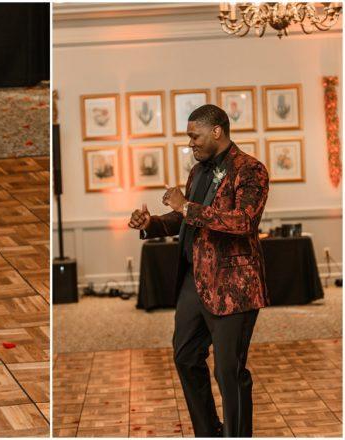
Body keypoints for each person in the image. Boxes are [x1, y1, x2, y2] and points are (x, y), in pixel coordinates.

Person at [128, 104, 269, 437]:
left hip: (233, 287)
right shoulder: (199, 171)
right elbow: (184, 219)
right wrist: (152, 224)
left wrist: (186, 206)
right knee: (186, 357)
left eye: (195, 135)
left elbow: (243, 222)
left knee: (228, 371)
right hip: (194, 281)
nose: (191, 142)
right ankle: (209, 432)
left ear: (216, 131)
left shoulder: (250, 170)